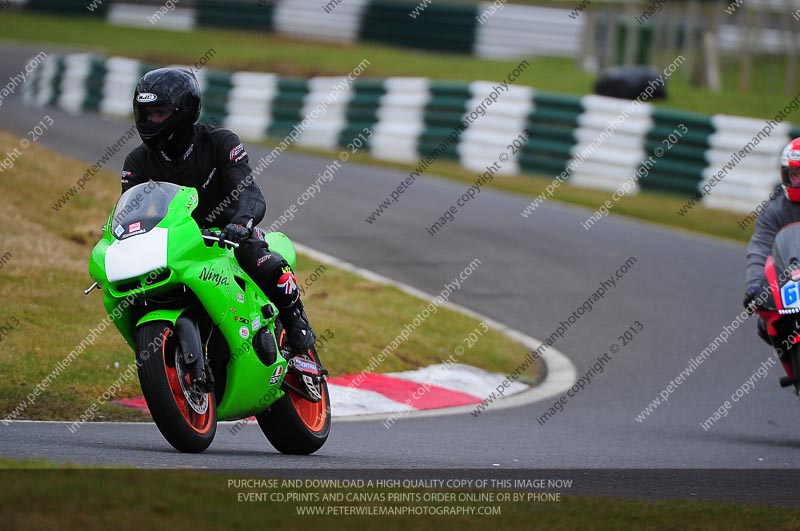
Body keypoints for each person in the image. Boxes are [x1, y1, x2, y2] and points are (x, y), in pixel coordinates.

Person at [120, 67, 316, 369]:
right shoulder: (137, 161)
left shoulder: (220, 142)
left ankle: (297, 326)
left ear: (184, 112)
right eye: (145, 113)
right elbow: (129, 211)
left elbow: (249, 191)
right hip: (177, 245)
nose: (150, 121)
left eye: (159, 113)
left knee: (263, 261)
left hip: (227, 234)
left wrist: (241, 222)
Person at [744, 137, 800, 380]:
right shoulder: (775, 208)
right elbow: (760, 247)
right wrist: (754, 287)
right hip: (794, 278)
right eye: (793, 174)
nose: (797, 181)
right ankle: (794, 372)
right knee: (769, 321)